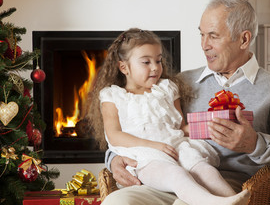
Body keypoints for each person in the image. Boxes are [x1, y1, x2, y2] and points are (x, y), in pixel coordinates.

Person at [101, 0, 270, 205]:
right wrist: (114, 160)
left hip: (227, 188)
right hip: (163, 179)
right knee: (116, 202)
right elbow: (139, 125)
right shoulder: (180, 83)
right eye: (202, 35)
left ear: (244, 39)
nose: (204, 45)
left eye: (213, 36)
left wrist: (254, 143)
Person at [89, 28, 250, 205]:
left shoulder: (167, 88)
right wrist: (154, 145)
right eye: (146, 62)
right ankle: (214, 203)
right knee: (177, 174)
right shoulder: (113, 96)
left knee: (204, 169)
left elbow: (180, 127)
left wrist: (212, 126)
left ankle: (233, 200)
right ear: (124, 67)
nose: (155, 67)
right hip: (144, 158)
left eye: (158, 61)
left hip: (176, 148)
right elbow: (114, 135)